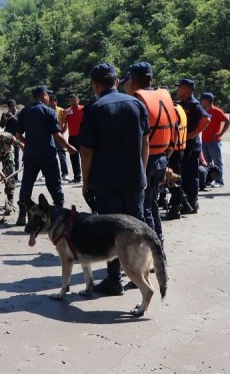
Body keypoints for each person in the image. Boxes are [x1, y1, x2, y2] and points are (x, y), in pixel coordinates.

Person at [80, 63, 150, 296]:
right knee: (136, 227)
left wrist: (86, 181)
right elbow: (145, 143)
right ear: (117, 82)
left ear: (95, 85)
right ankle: (138, 275)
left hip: (107, 181)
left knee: (112, 229)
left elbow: (87, 151)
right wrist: (143, 173)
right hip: (134, 179)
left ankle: (114, 279)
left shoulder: (93, 110)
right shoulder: (137, 105)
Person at [122, 62, 177, 245]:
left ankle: (152, 249)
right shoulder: (164, 95)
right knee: (152, 204)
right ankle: (159, 243)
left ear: (133, 80)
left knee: (144, 208)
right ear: (151, 78)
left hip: (146, 161)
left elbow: (136, 137)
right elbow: (174, 131)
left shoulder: (138, 100)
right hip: (162, 158)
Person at [15, 86, 77, 226]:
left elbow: (18, 136)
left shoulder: (24, 112)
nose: (49, 97)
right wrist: (69, 147)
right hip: (47, 154)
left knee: (27, 184)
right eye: (48, 95)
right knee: (54, 183)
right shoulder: (49, 111)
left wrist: (29, 144)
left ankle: (22, 215)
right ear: (44, 95)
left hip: (31, 155)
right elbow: (57, 134)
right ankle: (60, 211)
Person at [176, 79, 211, 213]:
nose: (178, 90)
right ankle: (184, 201)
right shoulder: (181, 103)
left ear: (188, 89)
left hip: (192, 144)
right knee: (183, 171)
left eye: (180, 87)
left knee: (190, 173)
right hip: (184, 143)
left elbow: (206, 119)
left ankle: (192, 201)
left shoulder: (194, 104)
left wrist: (194, 133)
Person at [200, 92, 230, 188]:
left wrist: (220, 134)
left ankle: (220, 181)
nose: (201, 101)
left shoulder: (217, 111)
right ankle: (209, 180)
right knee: (207, 162)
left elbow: (228, 121)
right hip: (204, 141)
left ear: (208, 100)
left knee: (217, 162)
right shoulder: (203, 111)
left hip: (214, 142)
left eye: (202, 99)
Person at [49, 92, 70, 181]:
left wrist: (62, 132)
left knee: (62, 155)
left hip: (59, 134)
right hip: (49, 136)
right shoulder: (46, 110)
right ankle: (49, 174)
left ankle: (64, 173)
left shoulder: (61, 110)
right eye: (50, 101)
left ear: (56, 102)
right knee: (49, 155)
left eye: (53, 101)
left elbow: (65, 123)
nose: (51, 103)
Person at [64, 94, 84, 183]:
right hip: (72, 137)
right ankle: (77, 177)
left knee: (84, 157)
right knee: (73, 158)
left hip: (82, 136)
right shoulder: (67, 111)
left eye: (74, 100)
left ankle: (87, 177)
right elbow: (64, 124)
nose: (72, 102)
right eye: (71, 101)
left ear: (78, 100)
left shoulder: (83, 109)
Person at [0, 99, 21, 180]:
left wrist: (13, 118)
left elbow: (22, 124)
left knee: (16, 157)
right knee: (6, 156)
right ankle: (6, 175)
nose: (12, 108)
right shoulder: (5, 114)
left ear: (15, 105)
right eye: (10, 107)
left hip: (17, 136)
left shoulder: (19, 113)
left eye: (13, 106)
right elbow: (2, 126)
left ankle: (16, 177)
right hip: (7, 138)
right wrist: (5, 120)